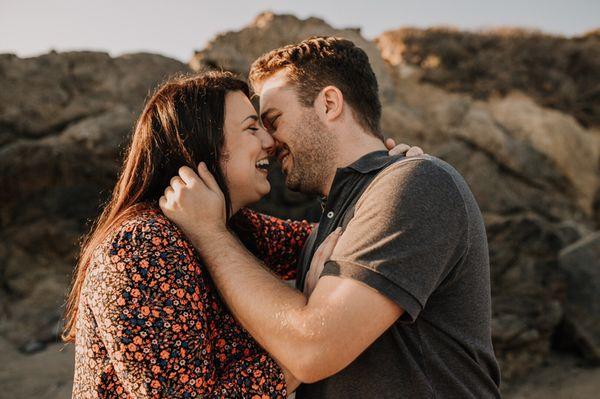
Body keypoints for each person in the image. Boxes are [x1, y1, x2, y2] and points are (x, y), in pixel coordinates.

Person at [160, 37, 502, 398]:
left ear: (329, 103)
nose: (269, 142)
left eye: (274, 120)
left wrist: (210, 233)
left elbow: (313, 350)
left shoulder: (415, 183)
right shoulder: (336, 218)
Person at [63, 71, 416, 398]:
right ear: (201, 144)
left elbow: (343, 236)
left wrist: (391, 182)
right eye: (252, 128)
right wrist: (300, 339)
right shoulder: (141, 246)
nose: (269, 141)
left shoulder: (235, 227)